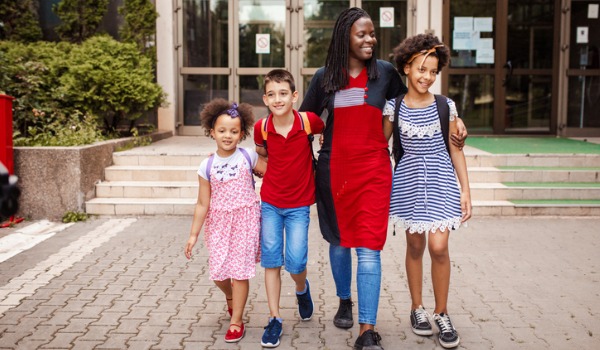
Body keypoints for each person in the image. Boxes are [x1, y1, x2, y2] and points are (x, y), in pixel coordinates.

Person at [299, 8, 468, 350]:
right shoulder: (324, 78)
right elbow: (305, 120)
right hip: (334, 173)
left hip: (374, 173)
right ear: (344, 35)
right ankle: (345, 299)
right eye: (362, 34)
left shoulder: (386, 73)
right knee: (339, 241)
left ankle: (367, 330)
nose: (370, 39)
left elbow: (414, 100)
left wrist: (456, 116)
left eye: (373, 34)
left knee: (369, 250)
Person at [383, 33, 472, 349]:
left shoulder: (445, 105)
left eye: (433, 71)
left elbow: (456, 150)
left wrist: (466, 191)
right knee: (416, 246)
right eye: (421, 69)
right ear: (407, 68)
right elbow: (379, 146)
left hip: (442, 182)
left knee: (438, 247)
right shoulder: (393, 107)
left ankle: (442, 312)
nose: (427, 77)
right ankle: (417, 308)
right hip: (407, 185)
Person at [184, 98, 266, 344]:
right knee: (219, 272)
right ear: (212, 132)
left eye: (233, 131)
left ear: (242, 134)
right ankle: (230, 297)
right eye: (222, 131)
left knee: (239, 272)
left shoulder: (248, 157)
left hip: (245, 219)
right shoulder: (206, 165)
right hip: (218, 223)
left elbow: (272, 173)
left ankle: (236, 321)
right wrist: (193, 235)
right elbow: (202, 203)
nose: (227, 136)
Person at [253, 69, 325, 348]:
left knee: (296, 262)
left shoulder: (309, 122)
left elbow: (327, 132)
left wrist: (323, 142)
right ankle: (274, 318)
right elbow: (260, 152)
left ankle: (301, 288)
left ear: (294, 96)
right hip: (270, 203)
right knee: (271, 261)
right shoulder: (262, 127)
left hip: (299, 206)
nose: (278, 99)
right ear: (265, 98)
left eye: (283, 93)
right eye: (272, 94)